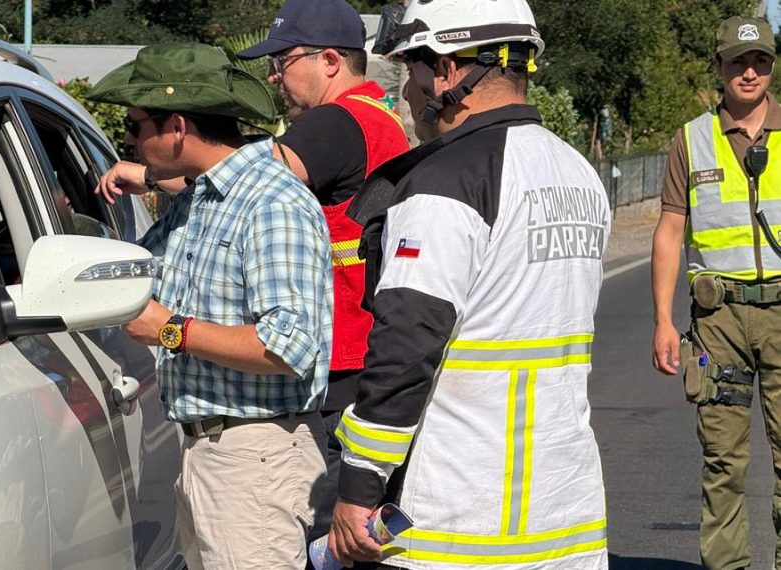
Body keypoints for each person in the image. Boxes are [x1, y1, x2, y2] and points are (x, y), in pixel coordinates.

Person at [94, 1, 411, 551]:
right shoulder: (380, 117)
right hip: (327, 369)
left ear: (330, 60)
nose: (274, 76)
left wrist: (170, 329)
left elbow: (248, 178)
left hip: (301, 397)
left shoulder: (331, 129)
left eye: (283, 60)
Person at [326, 1, 611, 568]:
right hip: (564, 523)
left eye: (411, 69)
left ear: (449, 72)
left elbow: (406, 346)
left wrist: (358, 486)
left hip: (459, 526)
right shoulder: (578, 171)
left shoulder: (443, 181)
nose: (405, 92)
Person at [85, 42, 334, 569]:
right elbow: (138, 275)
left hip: (255, 457)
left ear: (176, 126)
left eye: (134, 127)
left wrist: (169, 330)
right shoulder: (200, 200)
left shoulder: (273, 204)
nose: (129, 141)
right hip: (213, 453)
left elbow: (289, 347)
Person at [651, 16, 781, 570]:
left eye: (760, 62)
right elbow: (670, 229)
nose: (748, 73)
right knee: (723, 461)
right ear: (720, 68)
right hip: (718, 320)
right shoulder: (691, 138)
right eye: (737, 62)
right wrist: (662, 319)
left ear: (772, 66)